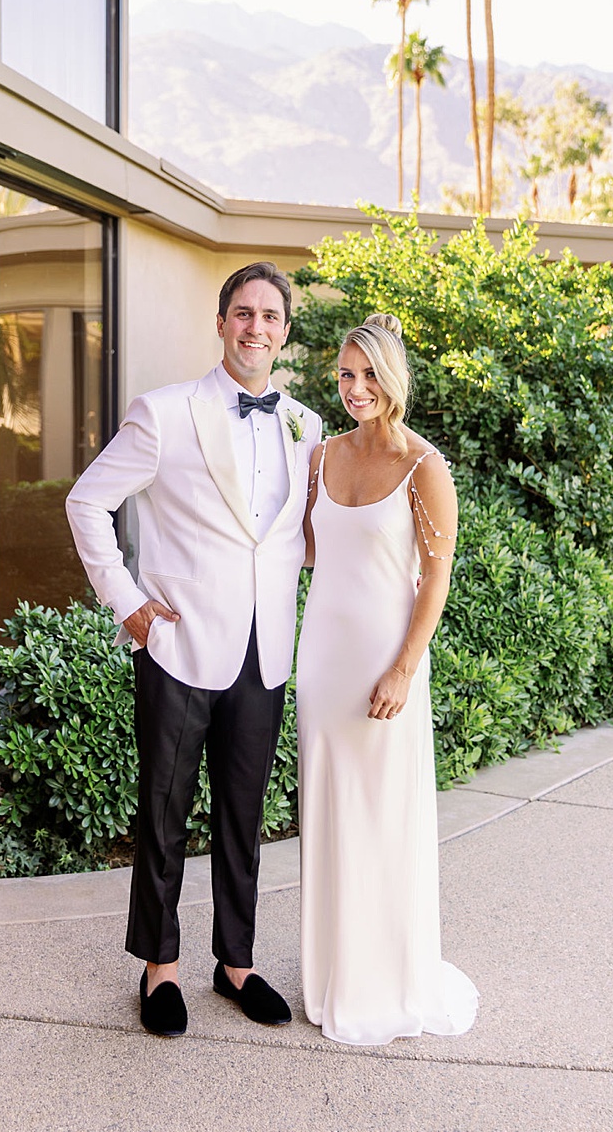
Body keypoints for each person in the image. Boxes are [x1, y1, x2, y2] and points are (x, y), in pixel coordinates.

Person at [66, 262, 322, 1037]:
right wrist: (129, 604)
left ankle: (236, 962)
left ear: (284, 331)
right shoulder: (165, 412)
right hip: (177, 646)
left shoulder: (305, 426)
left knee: (244, 814)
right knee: (164, 812)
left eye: (270, 316)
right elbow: (87, 500)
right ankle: (161, 967)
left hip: (264, 650)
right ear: (221, 323)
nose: (255, 327)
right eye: (243, 312)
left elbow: (300, 538)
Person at [296, 314, 478, 1045]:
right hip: (322, 660)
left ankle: (388, 977)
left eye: (369, 374)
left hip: (385, 663)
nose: (356, 387)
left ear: (394, 378)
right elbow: (305, 550)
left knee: (381, 815)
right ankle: (335, 973)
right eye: (346, 374)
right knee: (330, 812)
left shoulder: (424, 466)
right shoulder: (321, 456)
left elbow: (436, 579)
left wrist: (404, 668)